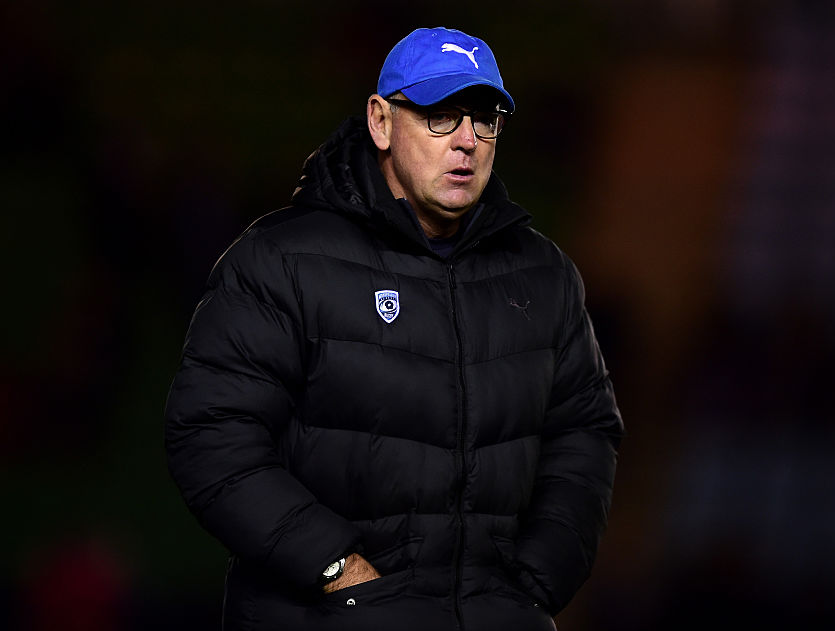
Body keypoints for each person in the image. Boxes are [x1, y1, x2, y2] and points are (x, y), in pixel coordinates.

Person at [164, 26, 623, 631]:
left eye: (485, 119)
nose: (467, 140)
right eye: (440, 115)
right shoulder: (282, 261)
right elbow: (210, 433)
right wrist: (339, 572)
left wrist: (534, 586)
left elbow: (585, 432)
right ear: (381, 122)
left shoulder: (544, 275)